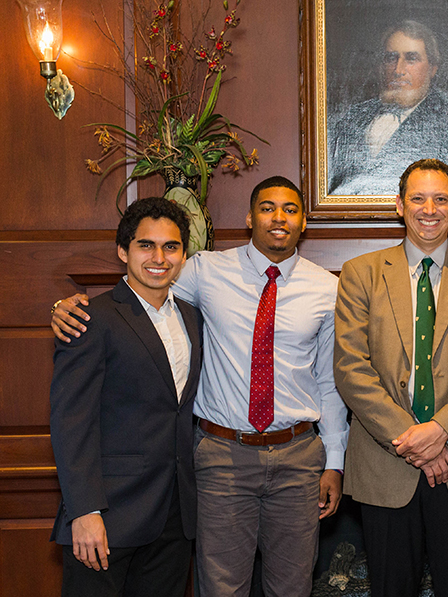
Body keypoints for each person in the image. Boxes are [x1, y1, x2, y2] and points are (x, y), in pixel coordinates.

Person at [51, 176, 350, 597]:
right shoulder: (205, 270)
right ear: (249, 217)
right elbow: (139, 291)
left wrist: (334, 460)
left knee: (293, 587)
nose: (278, 217)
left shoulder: (327, 288)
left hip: (297, 457)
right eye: (266, 207)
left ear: (304, 222)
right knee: (221, 589)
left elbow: (329, 380)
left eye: (290, 209)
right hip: (221, 458)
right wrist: (64, 305)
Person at [333, 159, 448, 597]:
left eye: (440, 199)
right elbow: (350, 367)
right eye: (417, 198)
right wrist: (413, 440)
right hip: (386, 463)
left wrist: (441, 431)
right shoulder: (361, 273)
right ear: (399, 205)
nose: (428, 209)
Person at [49, 198, 201, 596]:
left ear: (184, 255)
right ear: (123, 251)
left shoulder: (192, 317)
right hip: (107, 515)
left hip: (174, 516)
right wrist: (83, 511)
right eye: (145, 245)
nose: (159, 258)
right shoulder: (90, 318)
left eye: (170, 247)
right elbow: (71, 422)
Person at [327, 20, 448, 196]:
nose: (398, 70)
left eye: (411, 58)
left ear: (432, 68)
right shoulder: (354, 118)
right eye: (391, 58)